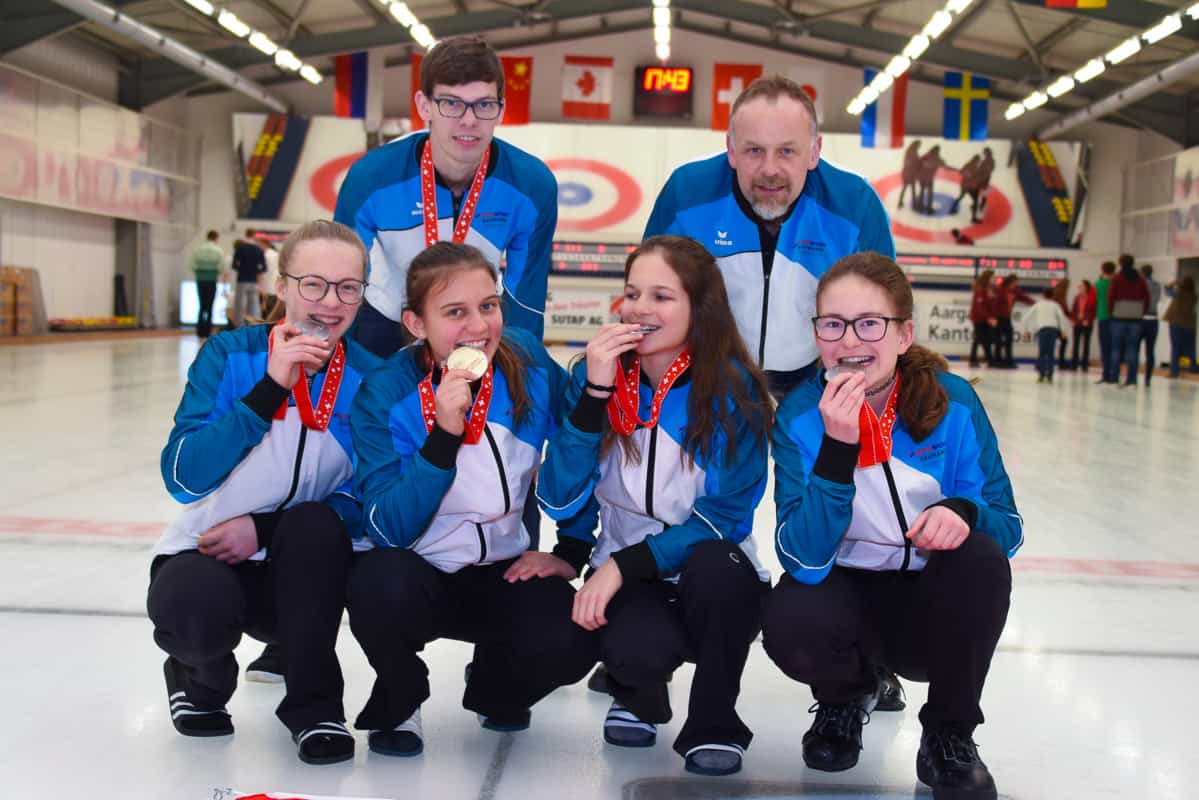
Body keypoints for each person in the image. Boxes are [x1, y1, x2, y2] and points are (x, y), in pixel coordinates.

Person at [764, 251, 1020, 800]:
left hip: (929, 607)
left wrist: (963, 513)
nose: (850, 341)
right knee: (789, 615)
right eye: (833, 324)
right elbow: (802, 560)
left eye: (870, 324)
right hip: (845, 597)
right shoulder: (800, 416)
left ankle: (949, 734)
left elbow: (1010, 527)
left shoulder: (955, 404)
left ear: (904, 335)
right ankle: (845, 697)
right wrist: (837, 447)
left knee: (979, 560)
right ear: (817, 334)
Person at [345, 241, 596, 758]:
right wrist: (443, 436)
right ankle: (400, 695)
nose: (479, 327)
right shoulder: (385, 392)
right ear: (416, 324)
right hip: (419, 573)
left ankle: (494, 685)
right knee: (377, 581)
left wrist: (569, 551)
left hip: (503, 572)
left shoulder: (524, 360)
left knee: (576, 639)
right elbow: (389, 528)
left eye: (488, 305)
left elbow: (578, 451)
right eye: (454, 312)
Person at [536, 235, 774, 777]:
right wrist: (594, 397)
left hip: (708, 571)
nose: (641, 308)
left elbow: (724, 516)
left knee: (717, 567)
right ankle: (638, 688)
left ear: (700, 308)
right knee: (633, 648)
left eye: (662, 297)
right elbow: (556, 494)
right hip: (628, 574)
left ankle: (715, 721)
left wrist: (625, 564)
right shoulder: (591, 377)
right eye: (632, 293)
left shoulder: (735, 392)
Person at [147, 220, 381, 765]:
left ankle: (315, 706)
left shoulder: (373, 378)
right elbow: (183, 477)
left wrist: (265, 529)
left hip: (303, 574)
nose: (331, 302)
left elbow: (368, 498)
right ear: (281, 286)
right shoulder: (229, 356)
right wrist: (269, 387)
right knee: (191, 608)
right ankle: (200, 676)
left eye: (348, 287)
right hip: (207, 554)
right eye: (313, 284)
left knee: (316, 527)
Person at [643, 74, 895, 400]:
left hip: (815, 377)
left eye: (787, 151)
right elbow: (646, 296)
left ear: (814, 151)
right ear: (732, 150)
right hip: (712, 371)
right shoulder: (687, 192)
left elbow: (884, 316)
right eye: (754, 150)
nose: (770, 169)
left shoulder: (856, 206)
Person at [335, 35, 558, 359]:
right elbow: (344, 281)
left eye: (483, 104)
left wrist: (521, 374)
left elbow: (525, 296)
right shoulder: (370, 178)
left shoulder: (532, 185)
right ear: (424, 105)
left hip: (476, 325)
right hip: (389, 322)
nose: (469, 120)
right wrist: (345, 366)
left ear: (500, 110)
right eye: (451, 103)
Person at [1108, 254, 1150, 387]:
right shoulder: (1140, 279)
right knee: (1132, 350)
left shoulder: (1117, 278)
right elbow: (1146, 297)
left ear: (1120, 263)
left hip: (1118, 317)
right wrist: (1141, 312)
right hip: (1136, 318)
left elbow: (1111, 296)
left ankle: (1114, 378)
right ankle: (1132, 380)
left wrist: (1111, 312)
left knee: (1116, 349)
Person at [1022, 287, 1070, 383]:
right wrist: (1063, 330)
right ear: (1052, 296)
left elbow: (1025, 317)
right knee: (1050, 352)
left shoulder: (1038, 305)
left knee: (1042, 352)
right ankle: (1050, 375)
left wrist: (1026, 331)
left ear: (1043, 295)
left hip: (1043, 330)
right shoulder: (1055, 305)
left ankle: (1041, 375)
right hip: (1053, 330)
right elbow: (1061, 317)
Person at [993, 275, 1033, 368]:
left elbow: (1024, 298)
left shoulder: (1015, 291)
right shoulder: (1000, 290)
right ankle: (997, 360)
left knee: (1009, 340)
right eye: (1015, 282)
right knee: (998, 340)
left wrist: (1037, 303)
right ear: (1010, 282)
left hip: (1007, 318)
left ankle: (1008, 360)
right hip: (998, 317)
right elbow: (994, 303)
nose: (1016, 284)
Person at [190, 230, 224, 338]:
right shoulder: (218, 250)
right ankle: (207, 330)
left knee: (201, 305)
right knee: (210, 305)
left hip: (200, 279)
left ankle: (199, 330)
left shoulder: (198, 249)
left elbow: (192, 265)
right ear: (216, 238)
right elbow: (221, 267)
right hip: (212, 280)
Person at [1163, 275, 1199, 378]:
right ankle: (1194, 367)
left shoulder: (1178, 294)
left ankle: (1174, 372)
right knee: (1190, 348)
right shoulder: (1194, 296)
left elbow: (1167, 290)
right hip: (1190, 325)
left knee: (1175, 347)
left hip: (1176, 324)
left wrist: (1173, 283)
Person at [230, 229, 267, 327]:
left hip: (242, 280)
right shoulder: (258, 249)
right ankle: (254, 326)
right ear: (254, 236)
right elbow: (263, 267)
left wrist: (242, 268)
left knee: (239, 306)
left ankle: (239, 327)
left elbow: (234, 265)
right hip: (254, 281)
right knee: (254, 306)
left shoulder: (240, 248)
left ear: (245, 235)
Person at [968, 269, 998, 368]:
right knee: (982, 338)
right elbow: (980, 306)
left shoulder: (991, 289)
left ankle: (979, 359)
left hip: (985, 318)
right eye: (993, 277)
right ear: (987, 278)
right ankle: (986, 359)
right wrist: (989, 317)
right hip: (979, 318)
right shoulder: (981, 289)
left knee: (981, 338)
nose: (995, 279)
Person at [1095, 261, 1117, 383]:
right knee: (1115, 347)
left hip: (1103, 317)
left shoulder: (1098, 284)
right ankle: (1115, 374)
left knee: (1105, 348)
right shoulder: (1116, 284)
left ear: (1102, 270)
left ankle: (1106, 374)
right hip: (1115, 318)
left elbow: (1094, 300)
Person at [1140, 264, 1161, 386]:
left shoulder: (1139, 285)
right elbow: (1156, 300)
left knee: (1134, 348)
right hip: (1153, 319)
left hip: (1141, 318)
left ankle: (1132, 377)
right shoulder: (1157, 285)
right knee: (1150, 351)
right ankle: (1148, 378)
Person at [1070, 279, 1096, 371]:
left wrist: (1088, 319)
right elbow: (1073, 310)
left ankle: (1085, 365)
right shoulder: (1077, 298)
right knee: (1075, 344)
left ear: (1086, 287)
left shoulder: (1091, 298)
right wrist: (1073, 320)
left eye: (1081, 286)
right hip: (1077, 323)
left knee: (1086, 344)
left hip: (1087, 324)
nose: (1079, 287)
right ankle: (1074, 365)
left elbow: (1093, 311)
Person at [1051, 279, 1071, 370]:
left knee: (1052, 343)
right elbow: (1063, 312)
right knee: (1063, 341)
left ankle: (1044, 362)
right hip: (1056, 324)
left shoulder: (1056, 295)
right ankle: (1061, 363)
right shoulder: (1060, 297)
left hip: (1054, 323)